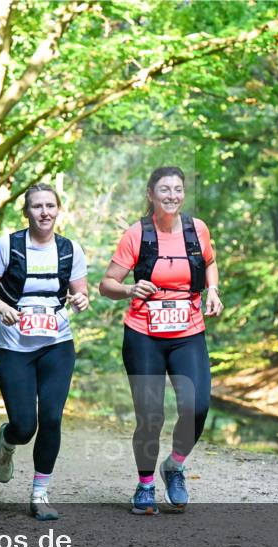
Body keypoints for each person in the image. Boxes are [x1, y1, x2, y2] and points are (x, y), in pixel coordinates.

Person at [99, 166, 223, 515]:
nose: (172, 195)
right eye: (164, 189)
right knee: (150, 416)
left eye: (178, 189)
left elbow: (210, 263)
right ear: (151, 195)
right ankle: (145, 486)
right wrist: (129, 288)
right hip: (143, 334)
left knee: (197, 406)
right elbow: (106, 284)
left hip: (188, 331)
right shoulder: (136, 234)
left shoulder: (197, 230)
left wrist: (212, 290)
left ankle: (175, 465)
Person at [0, 183, 90, 521]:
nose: (44, 212)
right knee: (25, 425)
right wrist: (2, 308)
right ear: (26, 212)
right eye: (37, 206)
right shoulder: (7, 246)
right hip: (14, 347)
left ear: (58, 210)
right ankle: (8, 442)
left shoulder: (70, 250)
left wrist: (81, 300)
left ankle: (40, 494)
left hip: (57, 344)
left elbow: (79, 293)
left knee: (51, 418)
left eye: (50, 206)